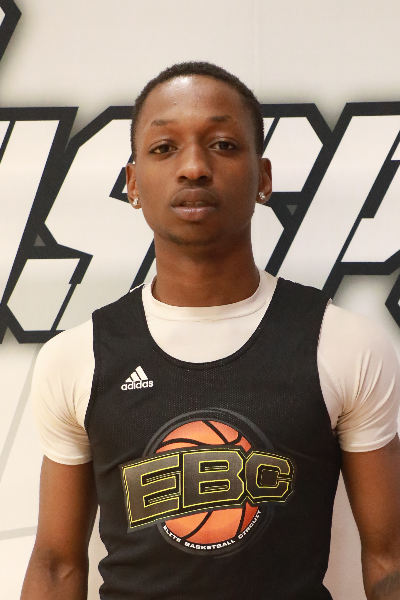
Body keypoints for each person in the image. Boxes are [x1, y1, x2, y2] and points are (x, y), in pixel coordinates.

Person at [21, 62, 400, 600]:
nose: (194, 167)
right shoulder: (77, 357)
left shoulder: (344, 344)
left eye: (222, 145)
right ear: (133, 184)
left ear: (263, 178)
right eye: (164, 148)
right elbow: (56, 565)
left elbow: (389, 558)